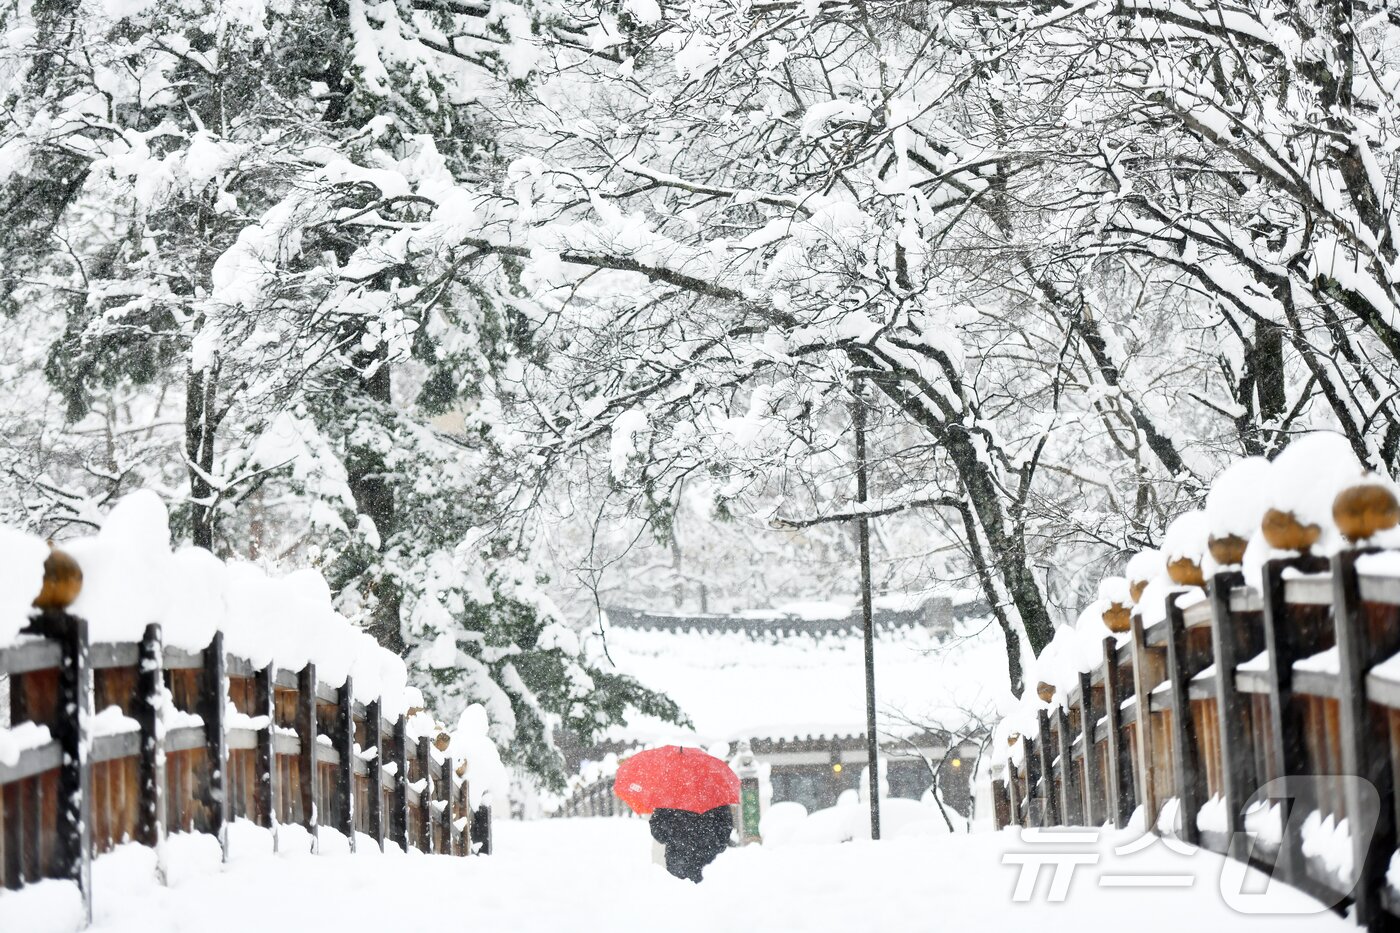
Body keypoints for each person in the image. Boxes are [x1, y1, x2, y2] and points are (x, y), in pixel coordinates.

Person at [648, 805, 733, 882]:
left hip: (679, 859)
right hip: (708, 860)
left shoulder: (670, 796)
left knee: (680, 895)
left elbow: (658, 830)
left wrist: (673, 836)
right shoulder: (715, 794)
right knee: (708, 895)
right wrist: (715, 844)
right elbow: (725, 828)